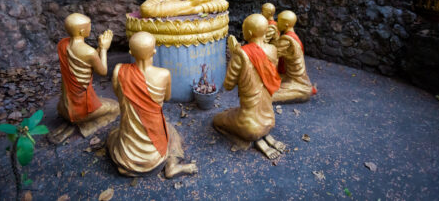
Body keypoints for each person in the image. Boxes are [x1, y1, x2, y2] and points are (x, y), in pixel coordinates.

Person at [107, 31, 198, 178]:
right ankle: (172, 165)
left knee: (113, 134)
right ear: (154, 51)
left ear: (131, 52)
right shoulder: (163, 74)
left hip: (126, 158)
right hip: (155, 157)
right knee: (171, 132)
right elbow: (167, 97)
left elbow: (119, 95)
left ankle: (131, 164)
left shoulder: (119, 71)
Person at [213, 14, 285, 160]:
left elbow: (228, 85)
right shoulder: (272, 50)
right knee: (233, 113)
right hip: (269, 120)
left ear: (250, 33)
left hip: (249, 126)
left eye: (244, 29)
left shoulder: (241, 54)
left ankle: (243, 140)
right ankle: (263, 137)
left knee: (217, 120)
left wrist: (234, 56)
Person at [49, 13, 119, 144]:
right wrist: (103, 49)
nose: (90, 28)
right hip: (81, 110)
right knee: (115, 107)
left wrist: (98, 49)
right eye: (89, 26)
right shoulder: (89, 52)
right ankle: (82, 125)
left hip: (63, 106)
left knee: (102, 101)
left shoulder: (62, 44)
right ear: (82, 31)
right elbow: (103, 71)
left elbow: (85, 62)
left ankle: (70, 124)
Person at [273, 10, 316, 103]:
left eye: (279, 21)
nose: (276, 23)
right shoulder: (292, 36)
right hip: (288, 75)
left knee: (269, 94)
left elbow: (271, 53)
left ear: (286, 25)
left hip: (295, 79)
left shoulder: (287, 40)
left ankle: (302, 90)